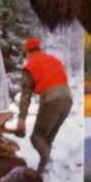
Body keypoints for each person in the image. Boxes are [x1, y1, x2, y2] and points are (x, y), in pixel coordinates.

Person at [14, 38, 72, 173]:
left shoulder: (30, 66)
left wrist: (21, 121)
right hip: (68, 99)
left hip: (51, 100)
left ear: (28, 52)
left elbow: (25, 97)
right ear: (39, 49)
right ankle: (44, 166)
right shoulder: (53, 60)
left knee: (36, 137)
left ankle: (46, 164)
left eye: (25, 54)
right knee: (47, 138)